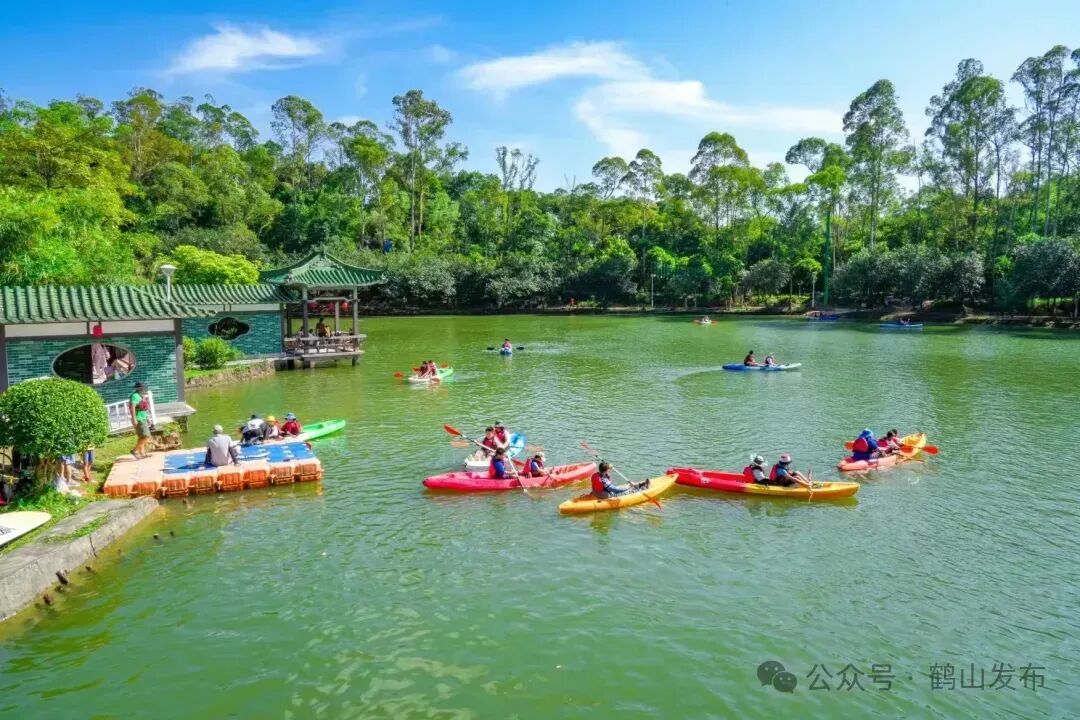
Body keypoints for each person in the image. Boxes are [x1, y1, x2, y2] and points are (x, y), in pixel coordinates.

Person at [129, 382, 152, 458]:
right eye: (143, 387)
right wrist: (134, 419)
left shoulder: (141, 396)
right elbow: (132, 407)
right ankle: (135, 450)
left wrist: (147, 417)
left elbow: (144, 408)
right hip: (139, 418)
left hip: (143, 417)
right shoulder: (135, 396)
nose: (144, 389)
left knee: (141, 436)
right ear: (139, 388)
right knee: (146, 436)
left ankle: (142, 453)